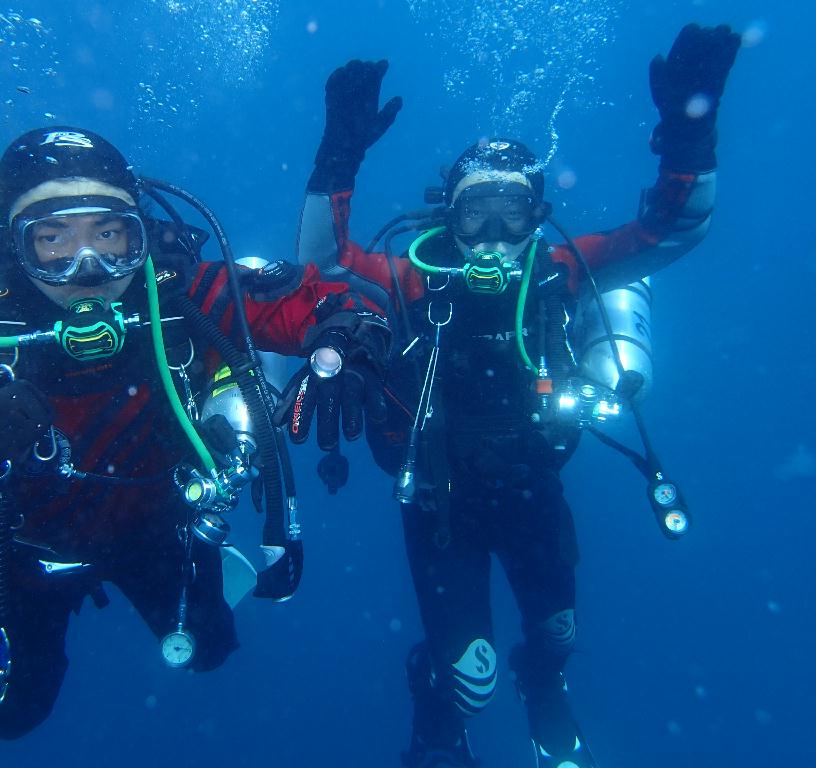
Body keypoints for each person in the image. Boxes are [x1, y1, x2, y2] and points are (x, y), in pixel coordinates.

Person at [0, 126, 389, 740]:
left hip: (154, 527)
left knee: (212, 648)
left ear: (140, 236)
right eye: (53, 239)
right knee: (12, 717)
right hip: (9, 553)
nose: (89, 269)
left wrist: (347, 330)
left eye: (109, 235)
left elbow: (314, 298)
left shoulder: (179, 299)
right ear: (14, 246)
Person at [293, 25, 740, 768]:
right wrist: (338, 157)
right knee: (470, 678)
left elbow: (671, 232)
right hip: (436, 505)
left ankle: (545, 683)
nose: (494, 234)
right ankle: (438, 701)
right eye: (476, 214)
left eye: (514, 213)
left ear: (537, 216)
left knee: (559, 631)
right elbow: (321, 265)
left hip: (534, 489)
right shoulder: (414, 278)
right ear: (450, 217)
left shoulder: (560, 271)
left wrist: (689, 140)